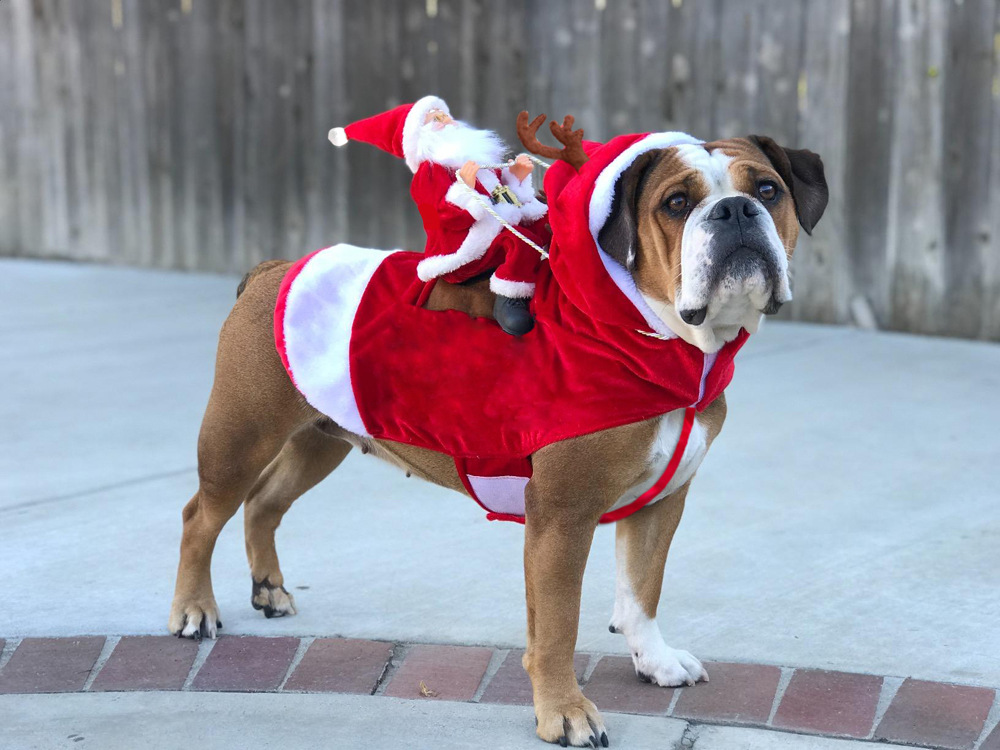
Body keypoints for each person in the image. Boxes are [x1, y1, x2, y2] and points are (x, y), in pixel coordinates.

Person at [329, 95, 550, 335]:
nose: (445, 119)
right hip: (465, 247)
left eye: (444, 114)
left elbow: (501, 194)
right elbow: (443, 216)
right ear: (421, 138)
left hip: (495, 228)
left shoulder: (477, 160)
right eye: (435, 119)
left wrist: (516, 176)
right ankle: (510, 298)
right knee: (518, 241)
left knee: (541, 225)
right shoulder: (430, 173)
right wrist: (464, 188)